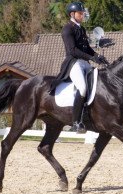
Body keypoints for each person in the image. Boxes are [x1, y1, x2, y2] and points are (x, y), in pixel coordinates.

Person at [49, 2, 108, 133]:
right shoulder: (67, 29)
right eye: (80, 13)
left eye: (82, 13)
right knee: (82, 88)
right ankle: (75, 123)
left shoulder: (81, 29)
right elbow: (73, 50)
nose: (82, 15)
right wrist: (91, 58)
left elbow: (86, 48)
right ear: (72, 14)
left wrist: (98, 56)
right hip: (73, 63)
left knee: (98, 83)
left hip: (84, 63)